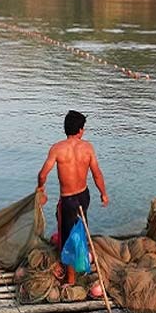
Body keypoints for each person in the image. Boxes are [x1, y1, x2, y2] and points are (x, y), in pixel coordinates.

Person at [36, 110, 109, 284]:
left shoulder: (57, 149)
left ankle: (70, 279)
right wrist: (103, 193)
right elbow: (97, 174)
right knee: (80, 230)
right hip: (84, 196)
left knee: (68, 234)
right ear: (80, 130)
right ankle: (79, 266)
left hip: (68, 200)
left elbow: (43, 174)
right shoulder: (88, 148)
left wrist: (41, 189)